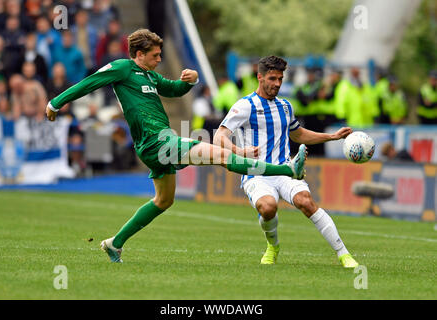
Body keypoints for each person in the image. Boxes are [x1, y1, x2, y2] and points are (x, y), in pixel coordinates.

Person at [46, 29, 308, 263]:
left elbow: (173, 89)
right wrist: (56, 103)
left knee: (163, 200)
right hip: (156, 142)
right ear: (139, 54)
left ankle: (114, 244)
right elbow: (88, 83)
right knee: (218, 153)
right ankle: (287, 171)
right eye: (156, 55)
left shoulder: (148, 76)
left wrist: (190, 80)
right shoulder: (122, 68)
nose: (160, 60)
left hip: (158, 143)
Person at [213, 55, 359, 268]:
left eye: (280, 79)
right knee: (268, 208)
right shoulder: (245, 106)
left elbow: (298, 134)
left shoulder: (285, 106)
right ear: (260, 77)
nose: (277, 84)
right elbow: (219, 137)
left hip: (285, 170)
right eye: (272, 78)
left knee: (306, 202)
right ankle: (273, 246)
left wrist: (332, 136)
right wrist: (240, 151)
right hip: (257, 173)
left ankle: (344, 254)